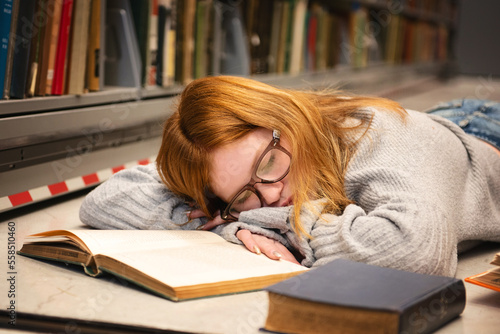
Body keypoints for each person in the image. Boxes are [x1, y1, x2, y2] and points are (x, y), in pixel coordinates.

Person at [80, 76, 500, 276]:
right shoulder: (250, 158)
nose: (274, 193)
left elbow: (416, 251)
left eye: (267, 164)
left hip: (482, 132)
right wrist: (230, 223)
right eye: (244, 195)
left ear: (283, 118)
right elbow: (106, 199)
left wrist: (284, 226)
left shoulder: (385, 136)